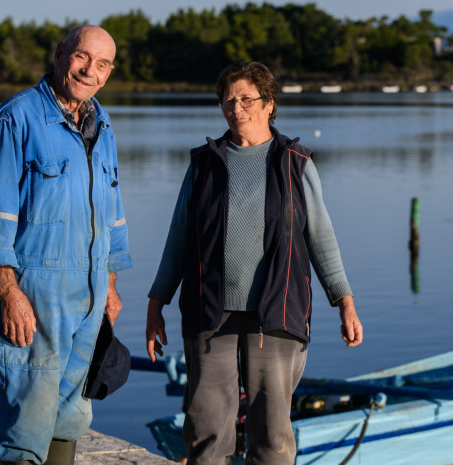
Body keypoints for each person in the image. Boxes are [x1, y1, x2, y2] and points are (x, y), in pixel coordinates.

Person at [145, 61, 363, 465]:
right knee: (206, 429)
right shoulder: (203, 164)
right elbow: (177, 239)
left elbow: (321, 239)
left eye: (247, 98)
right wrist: (157, 301)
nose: (236, 106)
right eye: (228, 99)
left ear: (269, 104)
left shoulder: (295, 163)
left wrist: (344, 300)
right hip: (210, 312)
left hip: (276, 314)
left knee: (272, 434)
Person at [0, 25, 132, 465]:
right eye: (81, 57)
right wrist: (8, 292)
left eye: (101, 65)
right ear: (60, 55)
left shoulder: (103, 123)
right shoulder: (16, 118)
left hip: (91, 292)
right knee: (27, 415)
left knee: (72, 411)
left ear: (109, 73)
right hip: (35, 292)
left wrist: (111, 284)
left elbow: (111, 209)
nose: (88, 71)